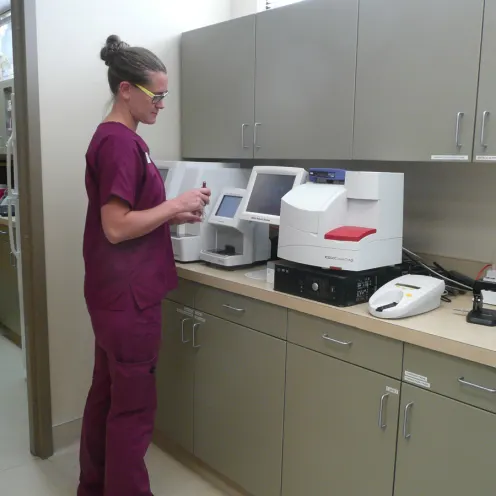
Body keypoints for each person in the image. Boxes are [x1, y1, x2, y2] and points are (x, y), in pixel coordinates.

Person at [77, 35, 211, 496]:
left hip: (113, 294)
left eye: (165, 96)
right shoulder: (120, 143)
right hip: (128, 299)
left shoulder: (119, 139)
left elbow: (133, 216)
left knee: (107, 396)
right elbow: (115, 226)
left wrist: (175, 211)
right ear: (126, 90)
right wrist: (175, 204)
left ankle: (93, 487)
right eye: (156, 95)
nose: (161, 104)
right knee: (131, 411)